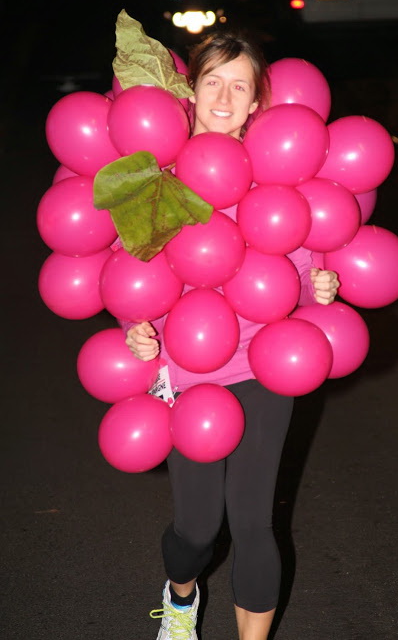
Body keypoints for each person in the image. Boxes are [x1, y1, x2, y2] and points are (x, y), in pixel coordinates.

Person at [123, 31, 339, 640]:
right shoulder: (157, 177)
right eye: (212, 80)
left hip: (260, 368)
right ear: (191, 91)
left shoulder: (277, 175)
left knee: (251, 522)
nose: (224, 94)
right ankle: (181, 596)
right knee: (196, 531)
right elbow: (130, 276)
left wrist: (319, 286)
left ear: (255, 102)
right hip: (185, 376)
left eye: (239, 85)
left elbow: (294, 271)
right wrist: (136, 331)